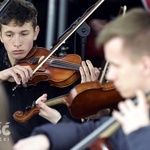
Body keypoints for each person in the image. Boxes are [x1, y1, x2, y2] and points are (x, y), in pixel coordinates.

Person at [13, 8, 150, 150]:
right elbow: (91, 131)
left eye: (117, 65)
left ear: (145, 66)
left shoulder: (140, 121)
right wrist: (47, 138)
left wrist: (139, 133)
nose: (109, 75)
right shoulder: (139, 105)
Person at [0, 0, 101, 144]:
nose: (17, 43)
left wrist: (85, 96)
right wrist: (2, 75)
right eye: (9, 34)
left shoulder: (57, 76)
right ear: (0, 36)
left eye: (24, 33)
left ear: (36, 33)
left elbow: (76, 128)